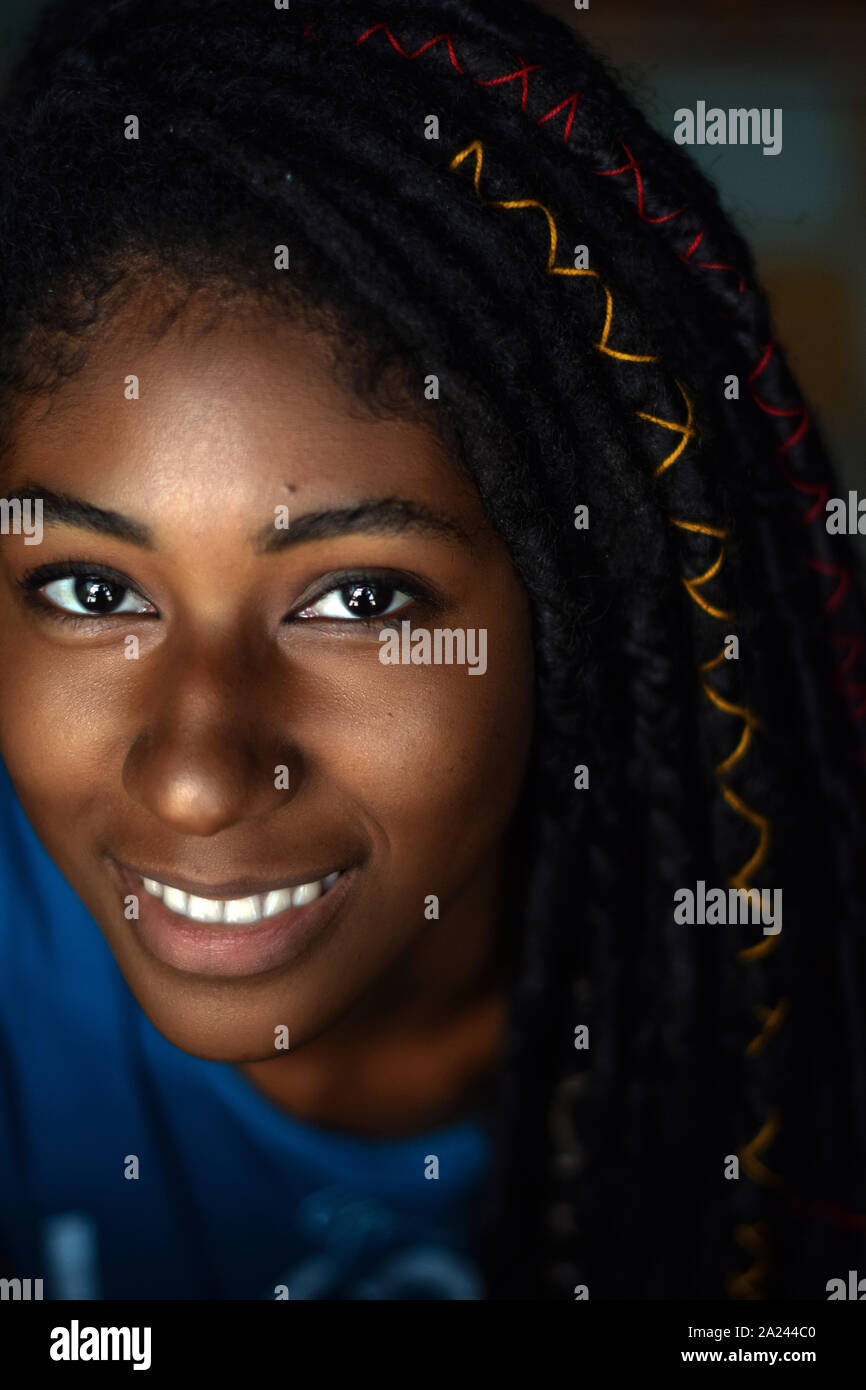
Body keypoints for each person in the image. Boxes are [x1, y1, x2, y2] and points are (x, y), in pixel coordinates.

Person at [0, 0, 864, 1302]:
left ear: (576, 601)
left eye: (356, 599)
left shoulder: (796, 1035)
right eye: (86, 584)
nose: (194, 773)